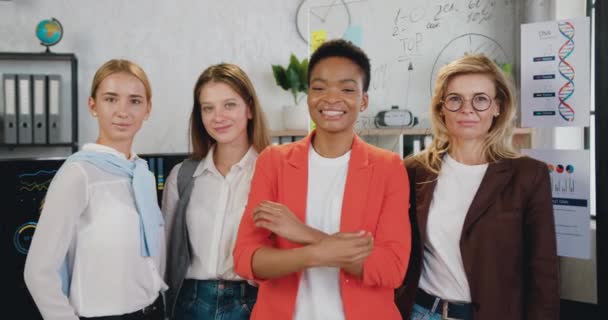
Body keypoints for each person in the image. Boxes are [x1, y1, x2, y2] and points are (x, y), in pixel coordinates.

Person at [233, 39, 411, 320]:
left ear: (363, 101)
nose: (331, 98)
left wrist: (303, 233)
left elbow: (392, 269)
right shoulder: (274, 161)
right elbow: (246, 259)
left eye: (347, 89)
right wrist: (317, 254)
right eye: (319, 87)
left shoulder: (388, 167)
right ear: (308, 95)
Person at [396, 54, 559, 319]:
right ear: (441, 108)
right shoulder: (414, 170)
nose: (467, 109)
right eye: (455, 99)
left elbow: (543, 272)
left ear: (498, 107)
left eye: (480, 99)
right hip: (422, 312)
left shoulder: (528, 175)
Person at [24, 59, 166, 320]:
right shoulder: (78, 174)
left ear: (148, 109)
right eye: (111, 99)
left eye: (134, 101)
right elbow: (38, 271)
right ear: (93, 105)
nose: (123, 111)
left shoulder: (142, 173)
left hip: (151, 311)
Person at [162, 63, 270, 319]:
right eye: (208, 108)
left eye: (229, 105)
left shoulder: (272, 172)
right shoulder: (183, 176)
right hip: (190, 303)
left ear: (250, 109)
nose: (218, 117)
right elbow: (166, 253)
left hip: (252, 302)